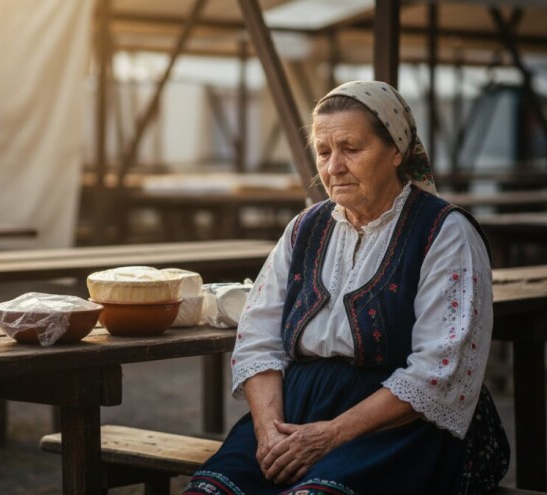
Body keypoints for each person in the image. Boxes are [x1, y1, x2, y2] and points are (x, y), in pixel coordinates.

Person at [184, 80, 509, 495]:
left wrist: (331, 435)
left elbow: (438, 371)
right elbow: (257, 338)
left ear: (397, 151)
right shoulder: (306, 228)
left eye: (351, 149)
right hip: (294, 413)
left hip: (396, 426)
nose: (333, 166)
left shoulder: (444, 232)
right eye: (323, 151)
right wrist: (269, 433)